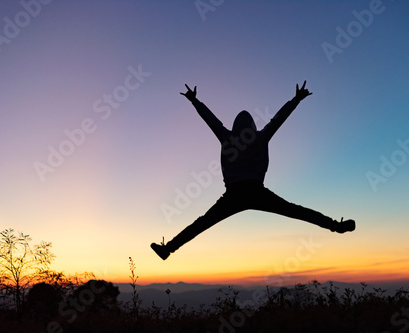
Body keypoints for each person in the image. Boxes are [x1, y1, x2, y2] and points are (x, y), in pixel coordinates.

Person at [151, 81, 355, 260]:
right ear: (252, 125)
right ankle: (335, 226)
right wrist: (296, 99)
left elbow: (211, 120)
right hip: (257, 192)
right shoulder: (261, 137)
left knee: (202, 223)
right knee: (296, 211)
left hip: (233, 195)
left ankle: (168, 249)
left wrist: (194, 101)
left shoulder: (227, 137)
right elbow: (278, 119)